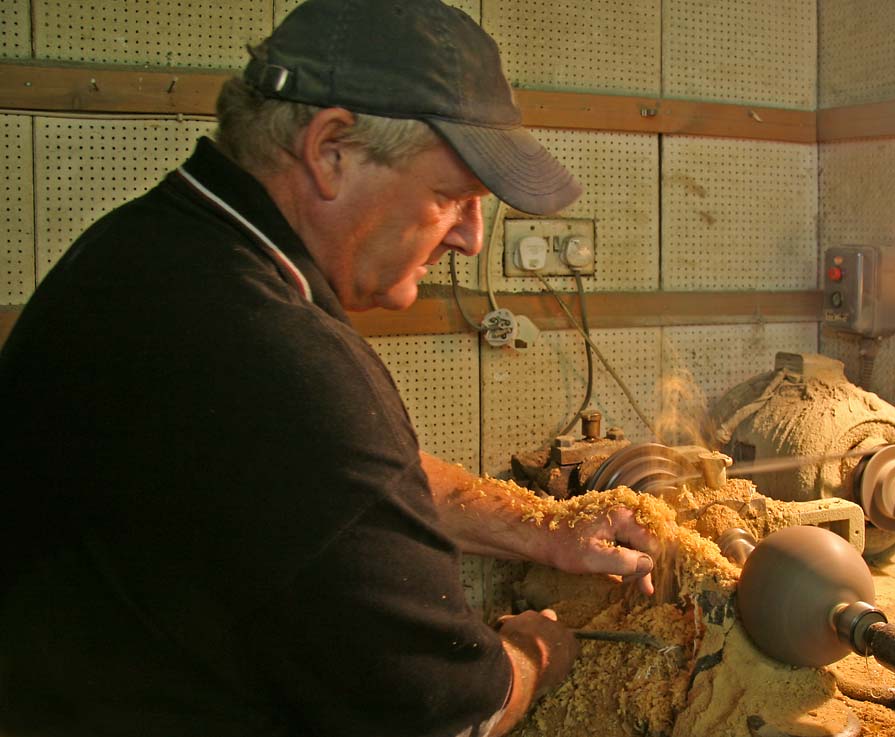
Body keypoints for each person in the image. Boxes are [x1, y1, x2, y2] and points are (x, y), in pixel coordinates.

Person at [0, 1, 659, 735]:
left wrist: (540, 529)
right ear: (331, 149)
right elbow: (445, 712)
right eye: (451, 197)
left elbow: (345, 481)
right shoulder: (275, 356)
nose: (472, 239)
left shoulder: (145, 255)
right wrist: (538, 649)